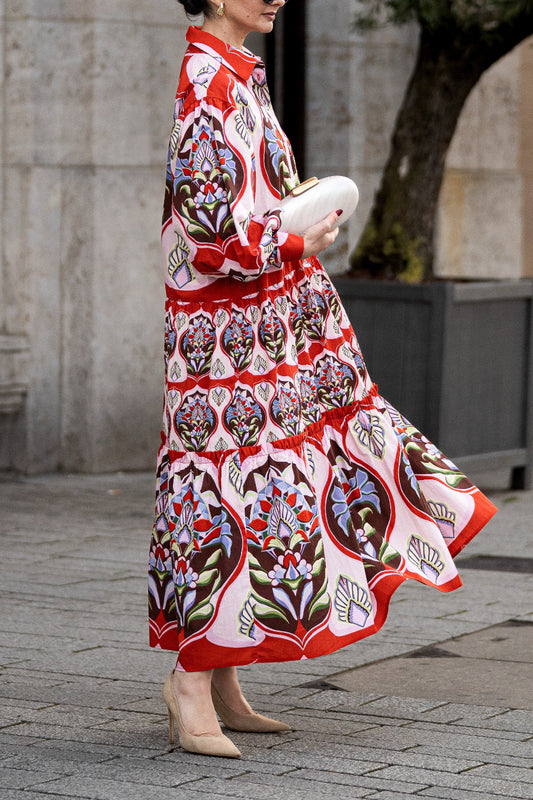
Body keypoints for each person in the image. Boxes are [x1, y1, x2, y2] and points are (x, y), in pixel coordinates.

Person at [148, 0, 497, 759]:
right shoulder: (207, 84)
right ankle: (189, 682)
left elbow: (240, 209)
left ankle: (221, 674)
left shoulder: (238, 76)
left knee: (265, 488)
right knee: (229, 495)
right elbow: (211, 236)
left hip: (261, 329)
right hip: (229, 343)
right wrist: (296, 232)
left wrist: (295, 223)